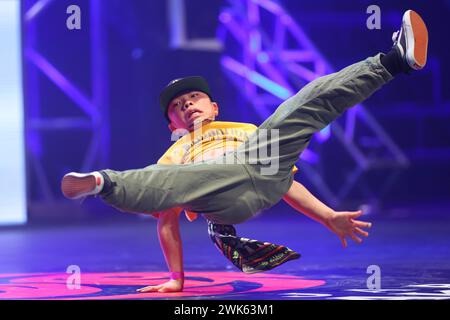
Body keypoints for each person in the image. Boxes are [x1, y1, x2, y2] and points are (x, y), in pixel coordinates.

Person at [61, 10, 428, 293]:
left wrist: (327, 216)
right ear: (172, 124)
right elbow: (167, 218)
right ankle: (102, 183)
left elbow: (285, 183)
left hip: (261, 168)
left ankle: (395, 61)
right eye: (178, 106)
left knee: (303, 103)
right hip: (219, 194)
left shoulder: (247, 132)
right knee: (161, 178)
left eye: (194, 98)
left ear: (215, 106)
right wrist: (176, 278)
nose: (187, 105)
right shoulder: (178, 150)